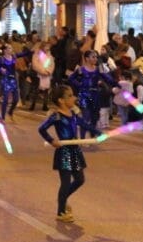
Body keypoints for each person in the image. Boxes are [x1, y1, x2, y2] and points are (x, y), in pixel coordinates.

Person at [37, 84, 99, 222]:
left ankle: (63, 199)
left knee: (80, 180)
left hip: (75, 150)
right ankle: (60, 212)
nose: (74, 98)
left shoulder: (73, 115)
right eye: (70, 96)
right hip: (64, 152)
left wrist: (98, 132)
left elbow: (84, 125)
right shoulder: (57, 116)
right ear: (61, 100)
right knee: (65, 183)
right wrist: (51, 140)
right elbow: (41, 129)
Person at [68, 51, 118, 140]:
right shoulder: (80, 69)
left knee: (95, 117)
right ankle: (82, 139)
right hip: (84, 95)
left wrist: (117, 84)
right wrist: (79, 85)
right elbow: (71, 78)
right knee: (86, 117)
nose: (95, 59)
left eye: (96, 57)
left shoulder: (98, 69)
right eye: (93, 57)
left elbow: (107, 78)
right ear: (87, 58)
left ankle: (92, 135)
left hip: (95, 95)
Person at [0, 45, 20, 122]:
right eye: (9, 48)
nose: (11, 49)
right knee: (6, 99)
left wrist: (33, 51)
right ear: (5, 50)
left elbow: (23, 54)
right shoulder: (1, 59)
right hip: (5, 80)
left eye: (11, 48)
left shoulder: (13, 56)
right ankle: (3, 118)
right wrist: (0, 69)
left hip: (13, 79)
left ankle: (10, 112)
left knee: (16, 99)